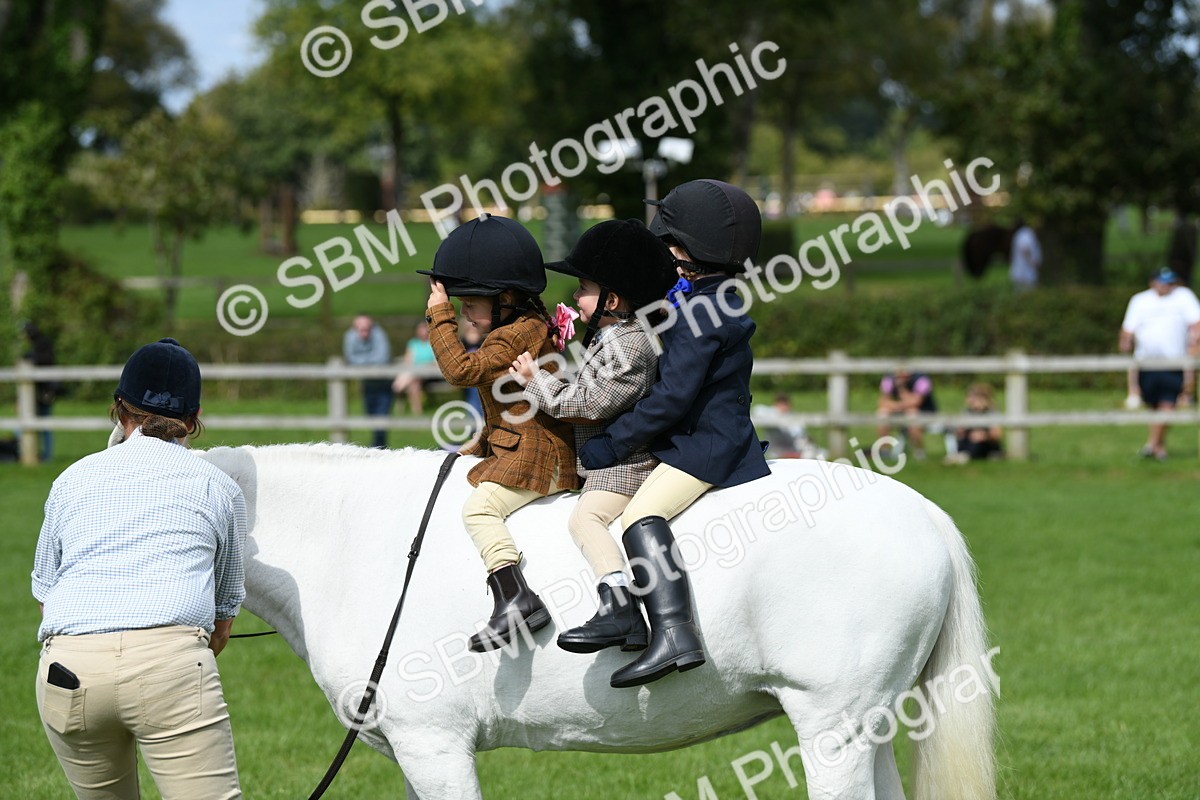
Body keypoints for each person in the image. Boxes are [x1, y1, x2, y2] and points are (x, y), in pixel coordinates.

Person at [31, 337, 245, 799]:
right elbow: (223, 617)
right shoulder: (219, 487)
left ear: (119, 407)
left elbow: (46, 593)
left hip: (69, 669)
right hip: (171, 667)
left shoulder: (70, 479)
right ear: (193, 418)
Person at [579, 179, 771, 688]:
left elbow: (670, 398)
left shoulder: (699, 314)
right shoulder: (715, 300)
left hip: (705, 445)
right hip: (710, 434)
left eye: (668, 244)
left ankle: (672, 632)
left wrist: (614, 442)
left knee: (640, 515)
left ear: (688, 249)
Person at [511, 218, 678, 654]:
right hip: (606, 460)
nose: (574, 296)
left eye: (582, 288)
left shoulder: (633, 344)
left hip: (626, 466)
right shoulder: (612, 334)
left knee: (584, 519)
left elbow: (588, 403)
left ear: (612, 299)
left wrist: (535, 380)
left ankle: (620, 606)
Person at [417, 213, 578, 652]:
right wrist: (480, 444)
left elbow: (460, 370)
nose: (464, 311)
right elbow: (512, 406)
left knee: (478, 511)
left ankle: (515, 597)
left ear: (505, 299)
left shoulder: (511, 338)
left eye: (471, 303)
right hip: (526, 444)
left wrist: (439, 314)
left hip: (540, 457)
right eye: (460, 304)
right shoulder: (525, 325)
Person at [1119, 267, 1200, 460]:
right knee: (1154, 405)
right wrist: (1125, 341)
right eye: (1163, 282)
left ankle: (1151, 445)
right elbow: (1128, 328)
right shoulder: (1140, 300)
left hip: (1173, 361)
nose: (1167, 286)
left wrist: (1195, 343)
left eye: (1170, 282)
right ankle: (1158, 447)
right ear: (1152, 282)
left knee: (1168, 403)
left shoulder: (1183, 296)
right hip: (1146, 362)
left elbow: (1196, 322)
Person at [343, 314, 393, 448]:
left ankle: (379, 446)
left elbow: (382, 358)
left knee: (382, 415)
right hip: (367, 383)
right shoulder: (350, 336)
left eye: (367, 329)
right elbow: (350, 358)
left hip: (383, 382)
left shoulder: (379, 334)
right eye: (360, 329)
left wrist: (362, 362)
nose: (364, 333)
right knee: (370, 415)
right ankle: (378, 446)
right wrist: (371, 361)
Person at [876, 368, 937, 460]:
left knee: (911, 414)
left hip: (925, 412)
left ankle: (919, 451)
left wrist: (902, 388)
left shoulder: (921, 380)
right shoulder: (889, 379)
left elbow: (915, 402)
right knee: (882, 413)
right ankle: (884, 451)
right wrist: (898, 406)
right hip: (900, 410)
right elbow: (882, 402)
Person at [23, 322, 61, 462]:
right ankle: (37, 453)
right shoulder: (41, 343)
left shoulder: (42, 344)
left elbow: (46, 360)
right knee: (38, 423)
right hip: (39, 392)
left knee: (43, 422)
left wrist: (31, 357)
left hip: (44, 391)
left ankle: (46, 455)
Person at [753, 393, 827, 460]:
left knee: (820, 454)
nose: (783, 407)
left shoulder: (793, 418)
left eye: (785, 404)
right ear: (776, 404)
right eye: (781, 404)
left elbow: (800, 437)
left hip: (794, 450)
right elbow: (757, 410)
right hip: (776, 451)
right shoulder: (771, 413)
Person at [948, 383, 1004, 463]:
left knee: (978, 443)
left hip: (986, 442)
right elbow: (959, 433)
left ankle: (964, 456)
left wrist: (984, 436)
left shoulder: (992, 413)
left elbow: (996, 435)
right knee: (963, 441)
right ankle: (961, 455)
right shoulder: (966, 412)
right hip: (969, 440)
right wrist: (963, 432)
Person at [391, 320, 437, 414]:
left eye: (424, 329)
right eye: (420, 329)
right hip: (414, 372)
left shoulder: (433, 343)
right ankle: (416, 410)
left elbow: (435, 361)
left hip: (428, 372)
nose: (422, 331)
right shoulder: (413, 343)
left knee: (409, 378)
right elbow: (408, 360)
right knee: (414, 383)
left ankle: (398, 388)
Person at [1009, 218, 1042, 291]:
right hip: (1026, 274)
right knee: (1028, 295)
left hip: (1019, 273)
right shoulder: (1026, 233)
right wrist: (1033, 262)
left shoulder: (1019, 234)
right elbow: (1024, 248)